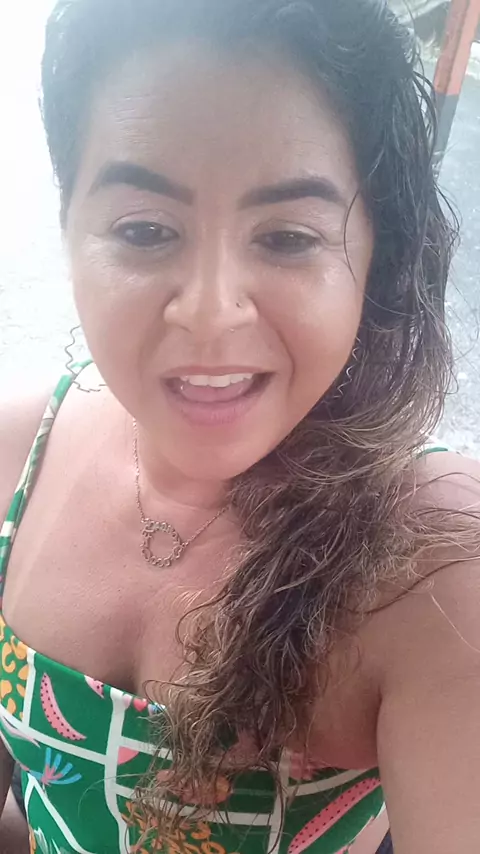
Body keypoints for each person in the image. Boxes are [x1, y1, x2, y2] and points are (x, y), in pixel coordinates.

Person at [0, 0, 479, 851]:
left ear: (376, 255)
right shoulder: (16, 460)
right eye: (146, 229)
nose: (211, 312)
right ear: (70, 232)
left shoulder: (435, 567)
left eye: (288, 238)